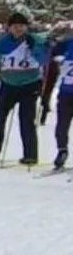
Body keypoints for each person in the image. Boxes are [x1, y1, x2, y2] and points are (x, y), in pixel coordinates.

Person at [0, 12, 49, 165]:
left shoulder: (34, 40)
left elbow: (44, 59)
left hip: (30, 84)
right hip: (8, 83)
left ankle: (30, 155)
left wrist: (35, 48)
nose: (18, 29)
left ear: (26, 27)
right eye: (15, 26)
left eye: (21, 26)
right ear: (9, 27)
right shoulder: (3, 42)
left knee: (26, 119)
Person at [40, 21, 73, 170]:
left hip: (66, 91)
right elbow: (51, 51)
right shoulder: (68, 43)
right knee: (61, 125)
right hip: (66, 92)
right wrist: (49, 44)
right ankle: (62, 151)